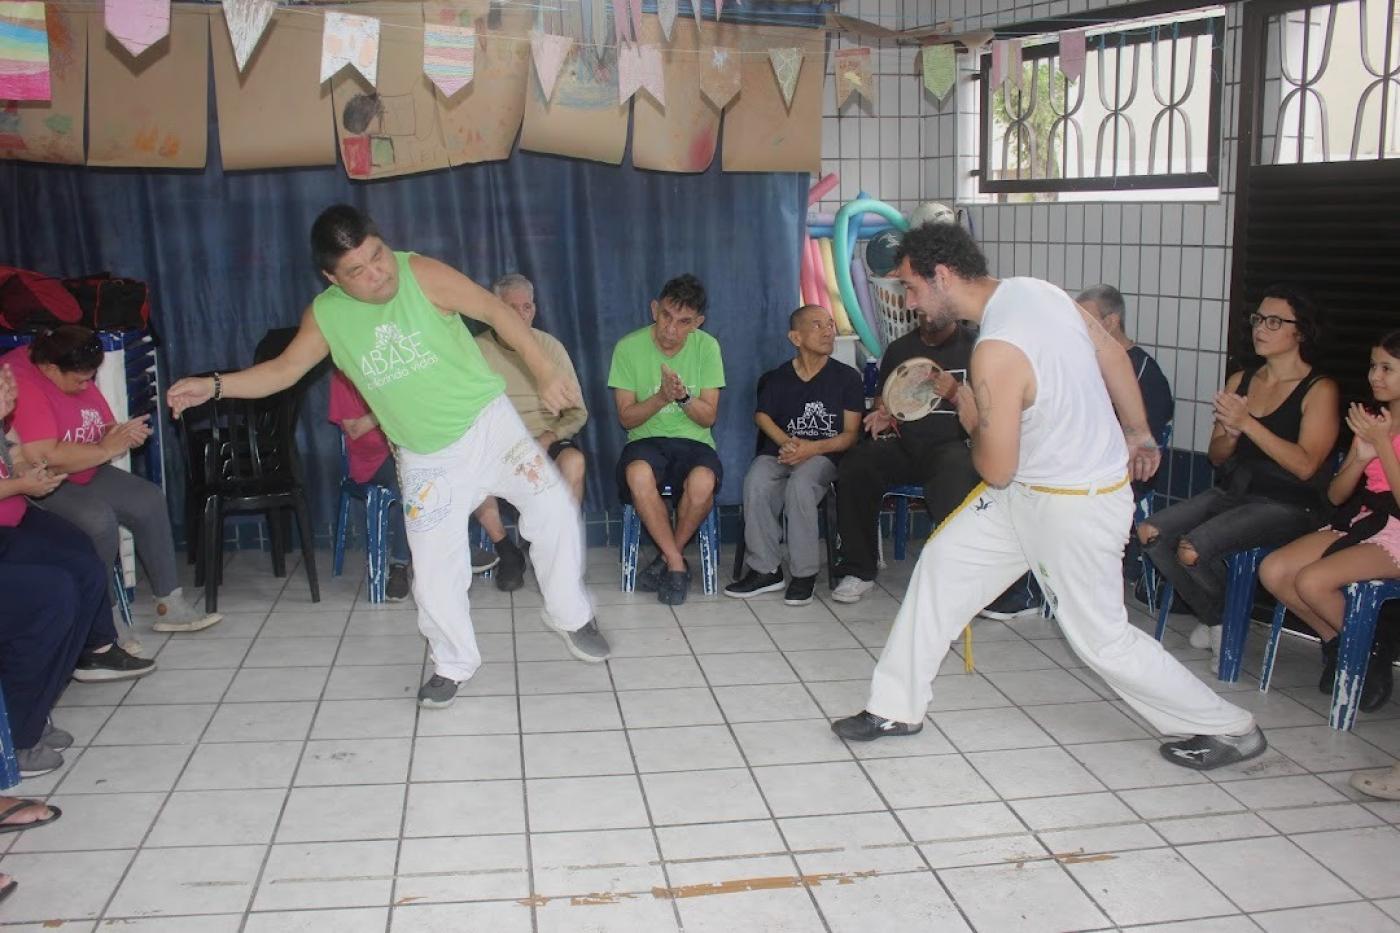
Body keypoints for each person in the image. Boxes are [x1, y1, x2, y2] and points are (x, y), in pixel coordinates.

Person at [831, 222, 1266, 771]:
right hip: (1033, 490)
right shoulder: (1039, 290)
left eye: (912, 288)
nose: (910, 302)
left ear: (942, 276)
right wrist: (1138, 430)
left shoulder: (993, 351)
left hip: (1070, 504)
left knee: (1101, 638)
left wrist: (969, 411)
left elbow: (995, 467)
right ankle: (895, 707)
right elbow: (1112, 354)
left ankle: (1229, 728)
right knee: (941, 567)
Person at [167, 205, 610, 711]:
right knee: (435, 569)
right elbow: (282, 371)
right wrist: (214, 385)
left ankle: (570, 614)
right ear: (331, 277)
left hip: (490, 427)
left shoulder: (420, 272)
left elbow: (495, 311)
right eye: (357, 270)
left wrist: (543, 371)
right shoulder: (328, 316)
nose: (378, 274)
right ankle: (452, 663)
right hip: (426, 458)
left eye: (378, 256)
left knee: (552, 507)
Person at [1139, 286, 1339, 656]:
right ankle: (1219, 618)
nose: (1261, 328)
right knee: (1151, 532)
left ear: (1301, 332)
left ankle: (1223, 623)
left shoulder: (1319, 389)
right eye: (1258, 319)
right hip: (1237, 492)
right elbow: (1216, 456)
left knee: (1192, 549)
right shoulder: (1242, 380)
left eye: (1275, 322)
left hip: (1290, 503)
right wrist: (1230, 435)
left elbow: (1306, 465)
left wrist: (1248, 424)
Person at [2, 326, 220, 637]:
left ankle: (170, 604)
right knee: (97, 520)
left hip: (84, 468)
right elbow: (43, 457)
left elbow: (102, 427)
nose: (86, 385)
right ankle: (104, 622)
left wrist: (122, 435)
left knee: (148, 499)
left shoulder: (71, 367)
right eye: (80, 380)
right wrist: (107, 448)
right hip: (44, 482)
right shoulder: (23, 381)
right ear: (50, 369)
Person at [982, 283, 1177, 621]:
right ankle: (1006, 584)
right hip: (1074, 463)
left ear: (1111, 322)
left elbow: (1143, 445)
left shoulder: (1145, 374)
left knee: (1043, 496)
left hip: (1115, 473)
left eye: (1084, 319)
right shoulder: (1080, 359)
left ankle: (1029, 591)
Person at [0, 363, 155, 777]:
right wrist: (20, 485)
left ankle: (70, 674)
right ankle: (17, 735)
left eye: (8, 380)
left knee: (82, 563)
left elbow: (15, 459)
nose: (10, 385)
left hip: (12, 521)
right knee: (51, 595)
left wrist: (24, 474)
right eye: (3, 383)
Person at [1260, 332, 1400, 712]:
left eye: (1387, 368)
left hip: (1398, 531)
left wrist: (1384, 445)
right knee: (1274, 571)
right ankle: (1344, 645)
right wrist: (1360, 456)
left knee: (1311, 581)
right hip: (1365, 518)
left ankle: (1367, 650)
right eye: (1373, 366)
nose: (1375, 376)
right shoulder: (1372, 420)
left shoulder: (1381, 429)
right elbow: (1337, 496)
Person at [829, 271, 980, 605]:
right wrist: (883, 413)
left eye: (929, 313)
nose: (924, 319)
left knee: (955, 471)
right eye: (920, 314)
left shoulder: (975, 348)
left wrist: (956, 394)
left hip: (952, 445)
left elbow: (990, 414)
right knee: (857, 465)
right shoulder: (901, 349)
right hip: (906, 443)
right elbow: (888, 399)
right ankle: (858, 569)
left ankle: (955, 576)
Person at [725, 305, 862, 606]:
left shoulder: (847, 378)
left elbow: (851, 435)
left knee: (801, 485)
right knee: (756, 480)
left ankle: (804, 575)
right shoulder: (779, 377)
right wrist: (787, 443)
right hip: (783, 452)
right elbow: (762, 416)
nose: (829, 331)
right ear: (795, 337)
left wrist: (810, 449)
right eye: (818, 325)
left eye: (830, 324)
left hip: (825, 455)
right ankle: (766, 570)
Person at [329, 370, 501, 600]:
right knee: (411, 481)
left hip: (410, 447)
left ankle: (453, 550)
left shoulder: (394, 368)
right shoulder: (343, 378)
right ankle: (400, 566)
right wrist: (390, 404)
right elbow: (354, 429)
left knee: (449, 467)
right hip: (372, 461)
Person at [608, 274, 725, 605]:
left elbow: (709, 417)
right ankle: (676, 563)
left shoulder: (708, 347)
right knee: (637, 474)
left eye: (684, 322)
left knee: (702, 483)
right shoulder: (628, 347)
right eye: (666, 317)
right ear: (654, 309)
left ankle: (665, 558)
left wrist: (683, 397)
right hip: (645, 441)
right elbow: (626, 418)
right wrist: (661, 398)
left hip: (695, 443)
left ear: (697, 323)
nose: (671, 330)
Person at [472, 272, 591, 591]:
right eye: (512, 308)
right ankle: (506, 551)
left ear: (534, 310)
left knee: (575, 463)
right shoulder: (476, 350)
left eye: (527, 307)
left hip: (544, 436)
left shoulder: (549, 348)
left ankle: (556, 551)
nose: (521, 315)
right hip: (498, 442)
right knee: (469, 470)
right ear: (495, 309)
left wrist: (549, 436)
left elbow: (578, 411)